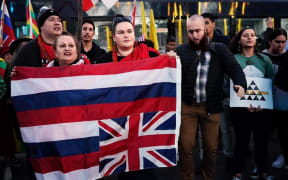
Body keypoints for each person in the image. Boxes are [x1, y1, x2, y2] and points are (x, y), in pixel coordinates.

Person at [175, 14, 246, 180]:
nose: (194, 35)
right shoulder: (180, 51)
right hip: (187, 106)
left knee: (211, 148)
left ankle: (209, 177)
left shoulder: (219, 49)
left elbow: (235, 69)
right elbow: (164, 71)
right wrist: (167, 60)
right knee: (185, 147)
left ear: (205, 29)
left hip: (211, 106)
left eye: (198, 31)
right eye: (191, 32)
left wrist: (240, 84)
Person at [99, 14, 159, 180]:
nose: (126, 35)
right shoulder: (103, 61)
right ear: (114, 37)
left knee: (146, 166)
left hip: (145, 121)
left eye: (129, 31)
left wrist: (171, 60)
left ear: (134, 34)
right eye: (121, 32)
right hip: (119, 123)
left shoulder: (152, 56)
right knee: (124, 166)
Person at [229, 27, 274, 180]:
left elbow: (270, 83)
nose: (249, 37)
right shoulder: (233, 59)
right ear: (239, 39)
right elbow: (228, 83)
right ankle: (237, 172)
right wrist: (242, 102)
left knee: (261, 141)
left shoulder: (264, 60)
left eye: (253, 35)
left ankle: (264, 171)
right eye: (245, 35)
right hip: (239, 109)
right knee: (241, 141)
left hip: (261, 109)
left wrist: (264, 103)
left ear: (256, 39)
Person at [262, 28, 288, 170]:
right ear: (270, 41)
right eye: (277, 42)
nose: (280, 45)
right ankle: (261, 162)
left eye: (283, 42)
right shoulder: (262, 56)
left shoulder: (287, 56)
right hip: (265, 100)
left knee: (284, 133)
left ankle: (283, 156)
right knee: (263, 135)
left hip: (283, 102)